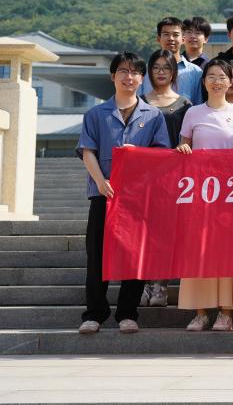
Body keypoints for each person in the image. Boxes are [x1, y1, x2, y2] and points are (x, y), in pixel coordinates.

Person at [76, 53, 170, 334]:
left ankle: (128, 313)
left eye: (134, 72)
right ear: (112, 76)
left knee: (134, 254)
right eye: (123, 71)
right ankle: (94, 313)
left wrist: (138, 155)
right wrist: (100, 181)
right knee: (97, 254)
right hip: (102, 194)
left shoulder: (153, 115)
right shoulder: (96, 114)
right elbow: (87, 151)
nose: (129, 77)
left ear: (142, 79)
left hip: (137, 198)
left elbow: (161, 155)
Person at [176, 60, 233, 332]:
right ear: (204, 82)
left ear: (230, 82)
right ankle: (200, 312)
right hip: (199, 194)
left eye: (222, 76)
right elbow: (184, 147)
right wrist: (183, 150)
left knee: (229, 252)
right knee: (199, 250)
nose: (217, 81)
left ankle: (226, 312)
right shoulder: (193, 113)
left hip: (231, 196)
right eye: (211, 76)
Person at [139, 48, 192, 309]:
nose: (161, 72)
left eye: (167, 68)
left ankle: (161, 284)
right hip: (143, 176)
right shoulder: (138, 101)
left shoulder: (184, 104)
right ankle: (141, 284)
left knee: (166, 233)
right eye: (156, 67)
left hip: (173, 177)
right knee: (143, 233)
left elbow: (189, 139)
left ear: (174, 72)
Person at [140, 17, 203, 103]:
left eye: (175, 35)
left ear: (183, 39)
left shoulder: (195, 72)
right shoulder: (145, 71)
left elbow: (199, 105)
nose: (171, 38)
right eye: (166, 34)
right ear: (158, 39)